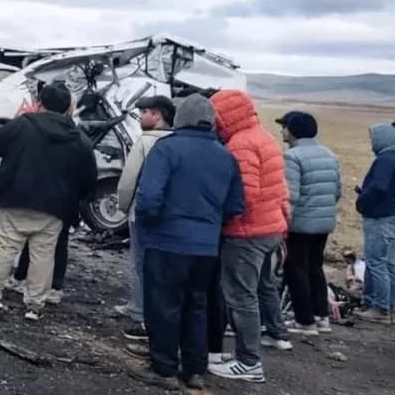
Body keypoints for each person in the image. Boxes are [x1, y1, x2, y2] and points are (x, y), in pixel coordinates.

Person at [127, 94, 245, 390]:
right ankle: (194, 370)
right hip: (206, 248)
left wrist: (150, 225)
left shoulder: (167, 149)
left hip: (167, 242)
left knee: (163, 306)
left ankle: (164, 368)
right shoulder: (225, 155)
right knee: (197, 306)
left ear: (180, 118)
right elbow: (235, 205)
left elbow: (149, 197)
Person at [0, 82, 96, 321]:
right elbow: (89, 178)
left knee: (4, 250)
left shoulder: (22, 125)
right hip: (54, 207)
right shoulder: (79, 139)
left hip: (13, 198)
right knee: (43, 256)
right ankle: (35, 305)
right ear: (69, 107)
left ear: (39, 103)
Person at [208, 90, 291, 383]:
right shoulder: (263, 136)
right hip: (269, 228)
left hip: (247, 232)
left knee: (240, 296)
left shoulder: (240, 144)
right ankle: (252, 351)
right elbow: (280, 190)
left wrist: (221, 220)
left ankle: (249, 362)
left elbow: (246, 196)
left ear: (226, 115)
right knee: (254, 292)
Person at [113, 95, 176, 334]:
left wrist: (123, 206)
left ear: (157, 115)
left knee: (139, 264)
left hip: (141, 212)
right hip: (169, 216)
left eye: (143, 112)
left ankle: (138, 309)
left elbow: (128, 181)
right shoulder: (177, 141)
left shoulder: (145, 141)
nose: (140, 117)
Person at [277, 111, 342, 335]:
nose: (282, 131)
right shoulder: (330, 155)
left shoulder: (293, 157)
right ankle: (321, 316)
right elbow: (337, 191)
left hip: (300, 225)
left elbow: (290, 196)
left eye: (285, 127)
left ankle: (304, 321)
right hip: (324, 224)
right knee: (315, 268)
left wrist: (283, 225)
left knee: (296, 270)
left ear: (294, 131)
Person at [354, 121, 395, 323]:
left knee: (376, 263)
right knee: (387, 263)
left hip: (380, 217)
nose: (371, 142)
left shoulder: (384, 160)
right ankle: (386, 306)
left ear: (381, 139)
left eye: (373, 138)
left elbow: (380, 188)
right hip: (393, 214)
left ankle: (380, 309)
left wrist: (362, 201)